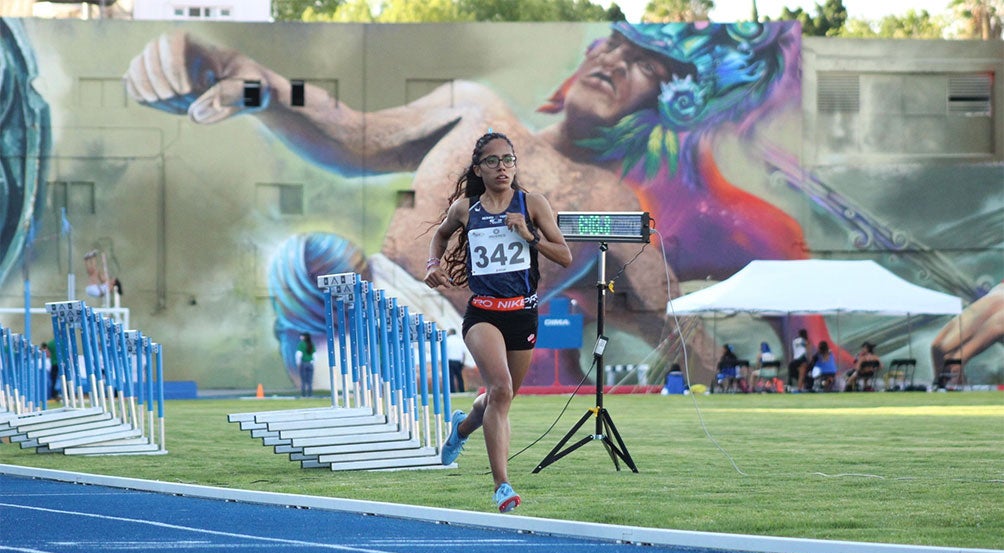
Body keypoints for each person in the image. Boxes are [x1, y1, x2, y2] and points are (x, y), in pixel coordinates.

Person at [123, 22, 855, 386]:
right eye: (612, 48)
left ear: (663, 103)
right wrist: (251, 85)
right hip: (375, 296)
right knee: (314, 257)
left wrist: (721, 365)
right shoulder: (473, 108)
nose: (612, 63)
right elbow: (358, 138)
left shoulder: (612, 200)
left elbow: (655, 299)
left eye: (640, 68)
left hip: (466, 342)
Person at [424, 131, 571, 513]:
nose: (502, 167)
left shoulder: (533, 203)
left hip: (522, 312)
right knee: (501, 388)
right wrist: (432, 265)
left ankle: (462, 427)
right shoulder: (466, 208)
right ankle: (502, 486)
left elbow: (565, 256)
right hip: (483, 314)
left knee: (498, 398)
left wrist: (530, 236)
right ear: (478, 168)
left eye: (508, 160)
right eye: (492, 161)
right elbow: (439, 238)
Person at [445, 329, 467, 393]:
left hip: (450, 361)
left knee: (450, 377)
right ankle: (462, 390)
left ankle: (452, 391)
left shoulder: (447, 340)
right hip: (458, 361)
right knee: (459, 377)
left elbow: (444, 351)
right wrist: (463, 362)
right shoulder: (460, 340)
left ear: (451, 332)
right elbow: (464, 353)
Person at [295, 333, 315, 397]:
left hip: (303, 363)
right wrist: (313, 363)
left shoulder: (301, 344)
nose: (301, 337)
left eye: (302, 336)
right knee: (310, 381)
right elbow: (315, 355)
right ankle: (310, 395)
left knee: (303, 381)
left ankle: (303, 395)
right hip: (310, 364)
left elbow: (298, 354)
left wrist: (298, 363)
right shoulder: (312, 344)